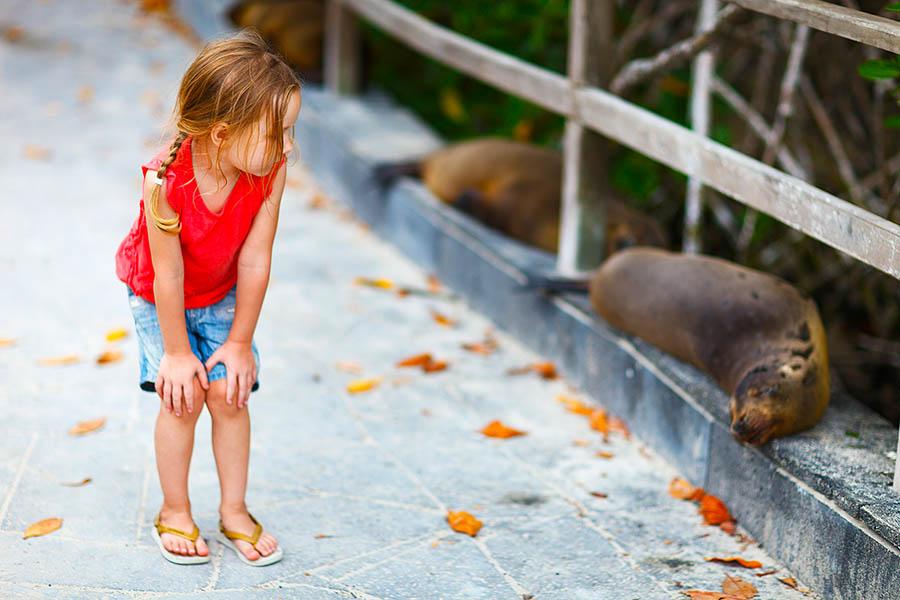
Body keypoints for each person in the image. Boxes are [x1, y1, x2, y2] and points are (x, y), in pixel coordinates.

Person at [114, 29, 301, 566]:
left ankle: (235, 510)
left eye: (292, 131)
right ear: (222, 133)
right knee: (184, 397)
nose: (289, 147)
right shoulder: (165, 182)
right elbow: (166, 278)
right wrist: (176, 354)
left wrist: (240, 343)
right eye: (279, 133)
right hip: (157, 295)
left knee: (229, 394)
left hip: (221, 291)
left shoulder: (270, 172)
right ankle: (175, 509)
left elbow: (255, 258)